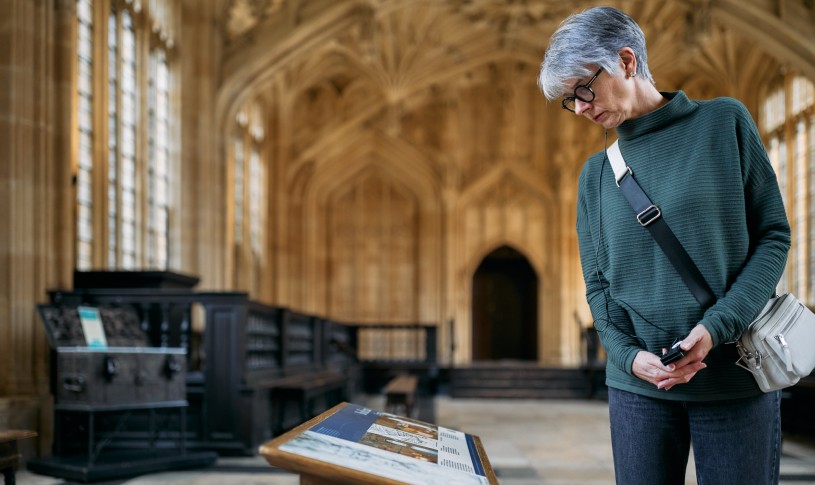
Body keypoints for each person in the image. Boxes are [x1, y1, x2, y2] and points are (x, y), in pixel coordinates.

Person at [537, 6, 791, 485]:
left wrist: (714, 328)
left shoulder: (724, 123)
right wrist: (630, 357)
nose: (581, 109)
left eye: (584, 90)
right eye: (570, 100)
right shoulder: (595, 175)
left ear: (626, 61)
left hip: (734, 374)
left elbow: (773, 237)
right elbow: (598, 287)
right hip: (638, 389)